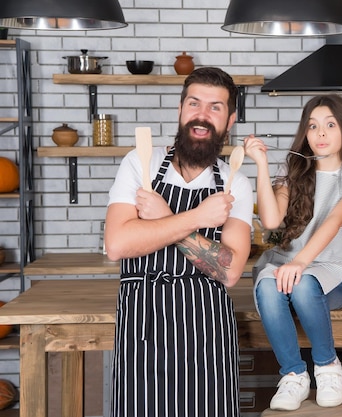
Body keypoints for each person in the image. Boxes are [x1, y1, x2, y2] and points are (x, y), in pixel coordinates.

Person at [104, 67, 253, 417]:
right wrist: (197, 218)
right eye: (194, 103)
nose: (202, 115)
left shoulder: (235, 184)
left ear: (230, 119)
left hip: (206, 328)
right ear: (180, 108)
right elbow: (118, 244)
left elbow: (228, 271)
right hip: (143, 325)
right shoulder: (142, 164)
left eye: (215, 107)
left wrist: (162, 219)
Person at [243, 94, 342, 411]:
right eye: (313, 126)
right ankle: (293, 374)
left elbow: (334, 220)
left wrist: (302, 263)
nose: (320, 133)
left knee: (302, 284)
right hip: (286, 268)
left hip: (328, 274)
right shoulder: (294, 175)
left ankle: (327, 367)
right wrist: (261, 165)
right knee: (266, 284)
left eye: (330, 125)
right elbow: (272, 220)